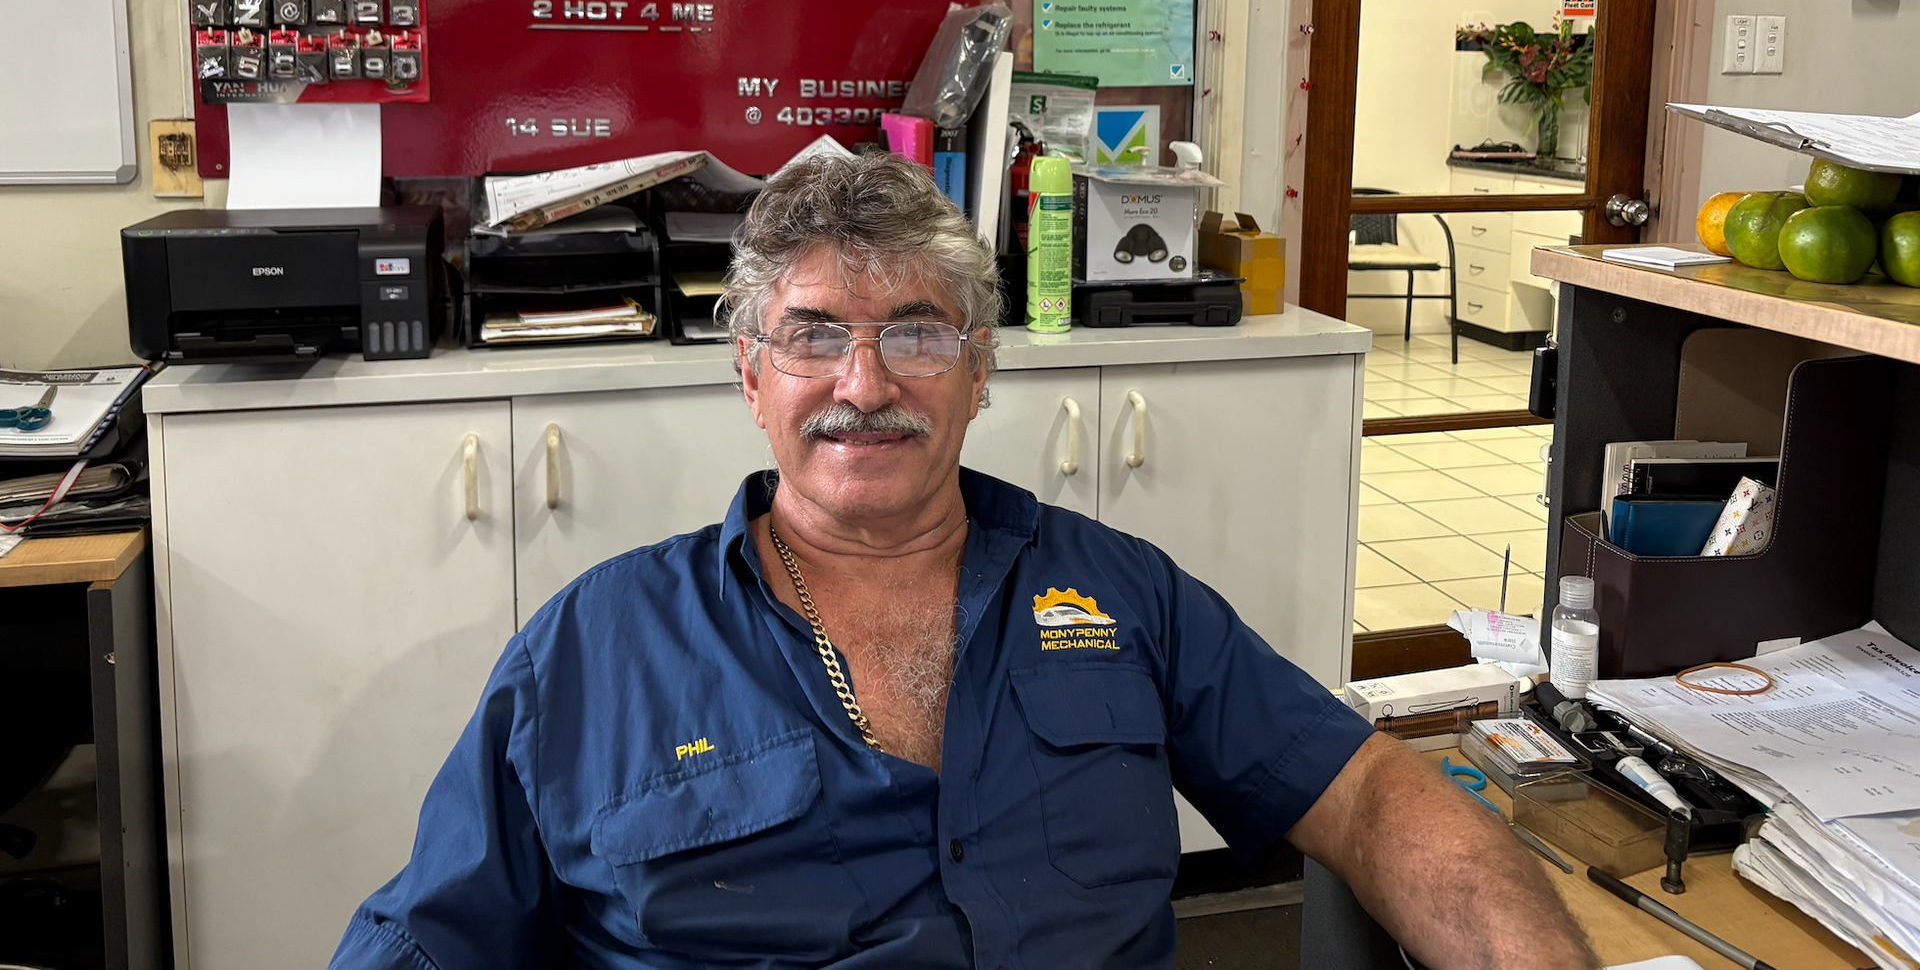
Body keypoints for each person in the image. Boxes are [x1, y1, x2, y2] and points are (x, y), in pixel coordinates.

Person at [331, 152, 1597, 970]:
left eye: (918, 334)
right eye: (814, 333)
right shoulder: (597, 644)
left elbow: (1372, 794)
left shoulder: (1120, 593)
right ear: (751, 373)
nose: (863, 383)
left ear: (982, 373)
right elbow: (425, 937)